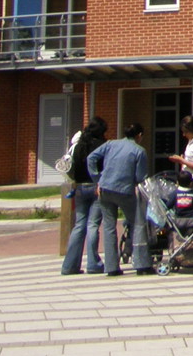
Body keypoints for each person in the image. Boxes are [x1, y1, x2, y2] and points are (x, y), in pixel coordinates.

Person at [88, 122, 153, 276]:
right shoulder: (139, 151)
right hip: (124, 191)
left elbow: (91, 158)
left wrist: (97, 178)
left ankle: (111, 267)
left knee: (109, 227)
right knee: (138, 223)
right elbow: (140, 176)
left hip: (104, 188)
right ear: (139, 136)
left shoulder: (111, 144)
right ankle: (142, 264)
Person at [60, 115, 107, 274]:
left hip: (79, 187)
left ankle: (69, 265)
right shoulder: (102, 146)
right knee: (93, 225)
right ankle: (93, 263)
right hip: (96, 187)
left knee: (79, 225)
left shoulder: (79, 146)